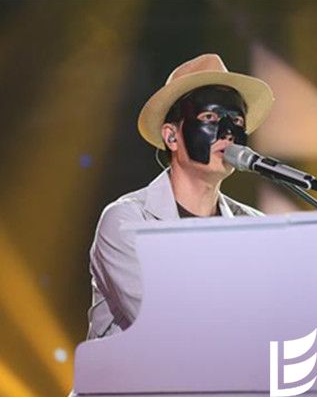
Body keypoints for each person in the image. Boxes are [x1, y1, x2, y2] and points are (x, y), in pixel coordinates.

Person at [86, 53, 274, 339]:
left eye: (236, 120)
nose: (228, 132)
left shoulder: (255, 225)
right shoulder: (128, 220)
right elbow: (167, 323)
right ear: (171, 137)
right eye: (210, 118)